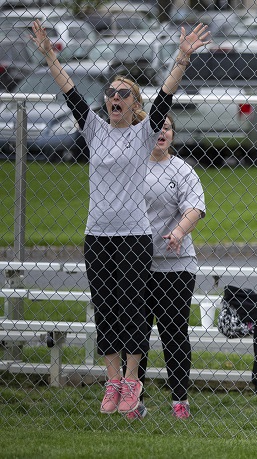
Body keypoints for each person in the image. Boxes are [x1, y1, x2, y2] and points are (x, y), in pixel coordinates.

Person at [29, 20, 210, 416]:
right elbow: (70, 92)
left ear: (133, 104)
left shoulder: (143, 133)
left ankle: (132, 381)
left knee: (132, 310)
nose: (114, 97)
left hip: (133, 236)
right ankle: (113, 382)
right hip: (97, 236)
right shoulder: (94, 129)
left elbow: (165, 95)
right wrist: (48, 55)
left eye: (123, 94)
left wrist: (181, 58)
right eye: (110, 92)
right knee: (105, 309)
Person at [129, 114, 206, 420]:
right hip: (136, 263)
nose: (161, 132)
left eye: (167, 127)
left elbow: (195, 208)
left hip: (176, 264)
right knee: (135, 332)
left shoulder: (182, 170)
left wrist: (177, 233)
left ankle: (179, 400)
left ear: (173, 133)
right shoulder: (131, 166)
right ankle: (134, 400)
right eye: (156, 127)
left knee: (174, 332)